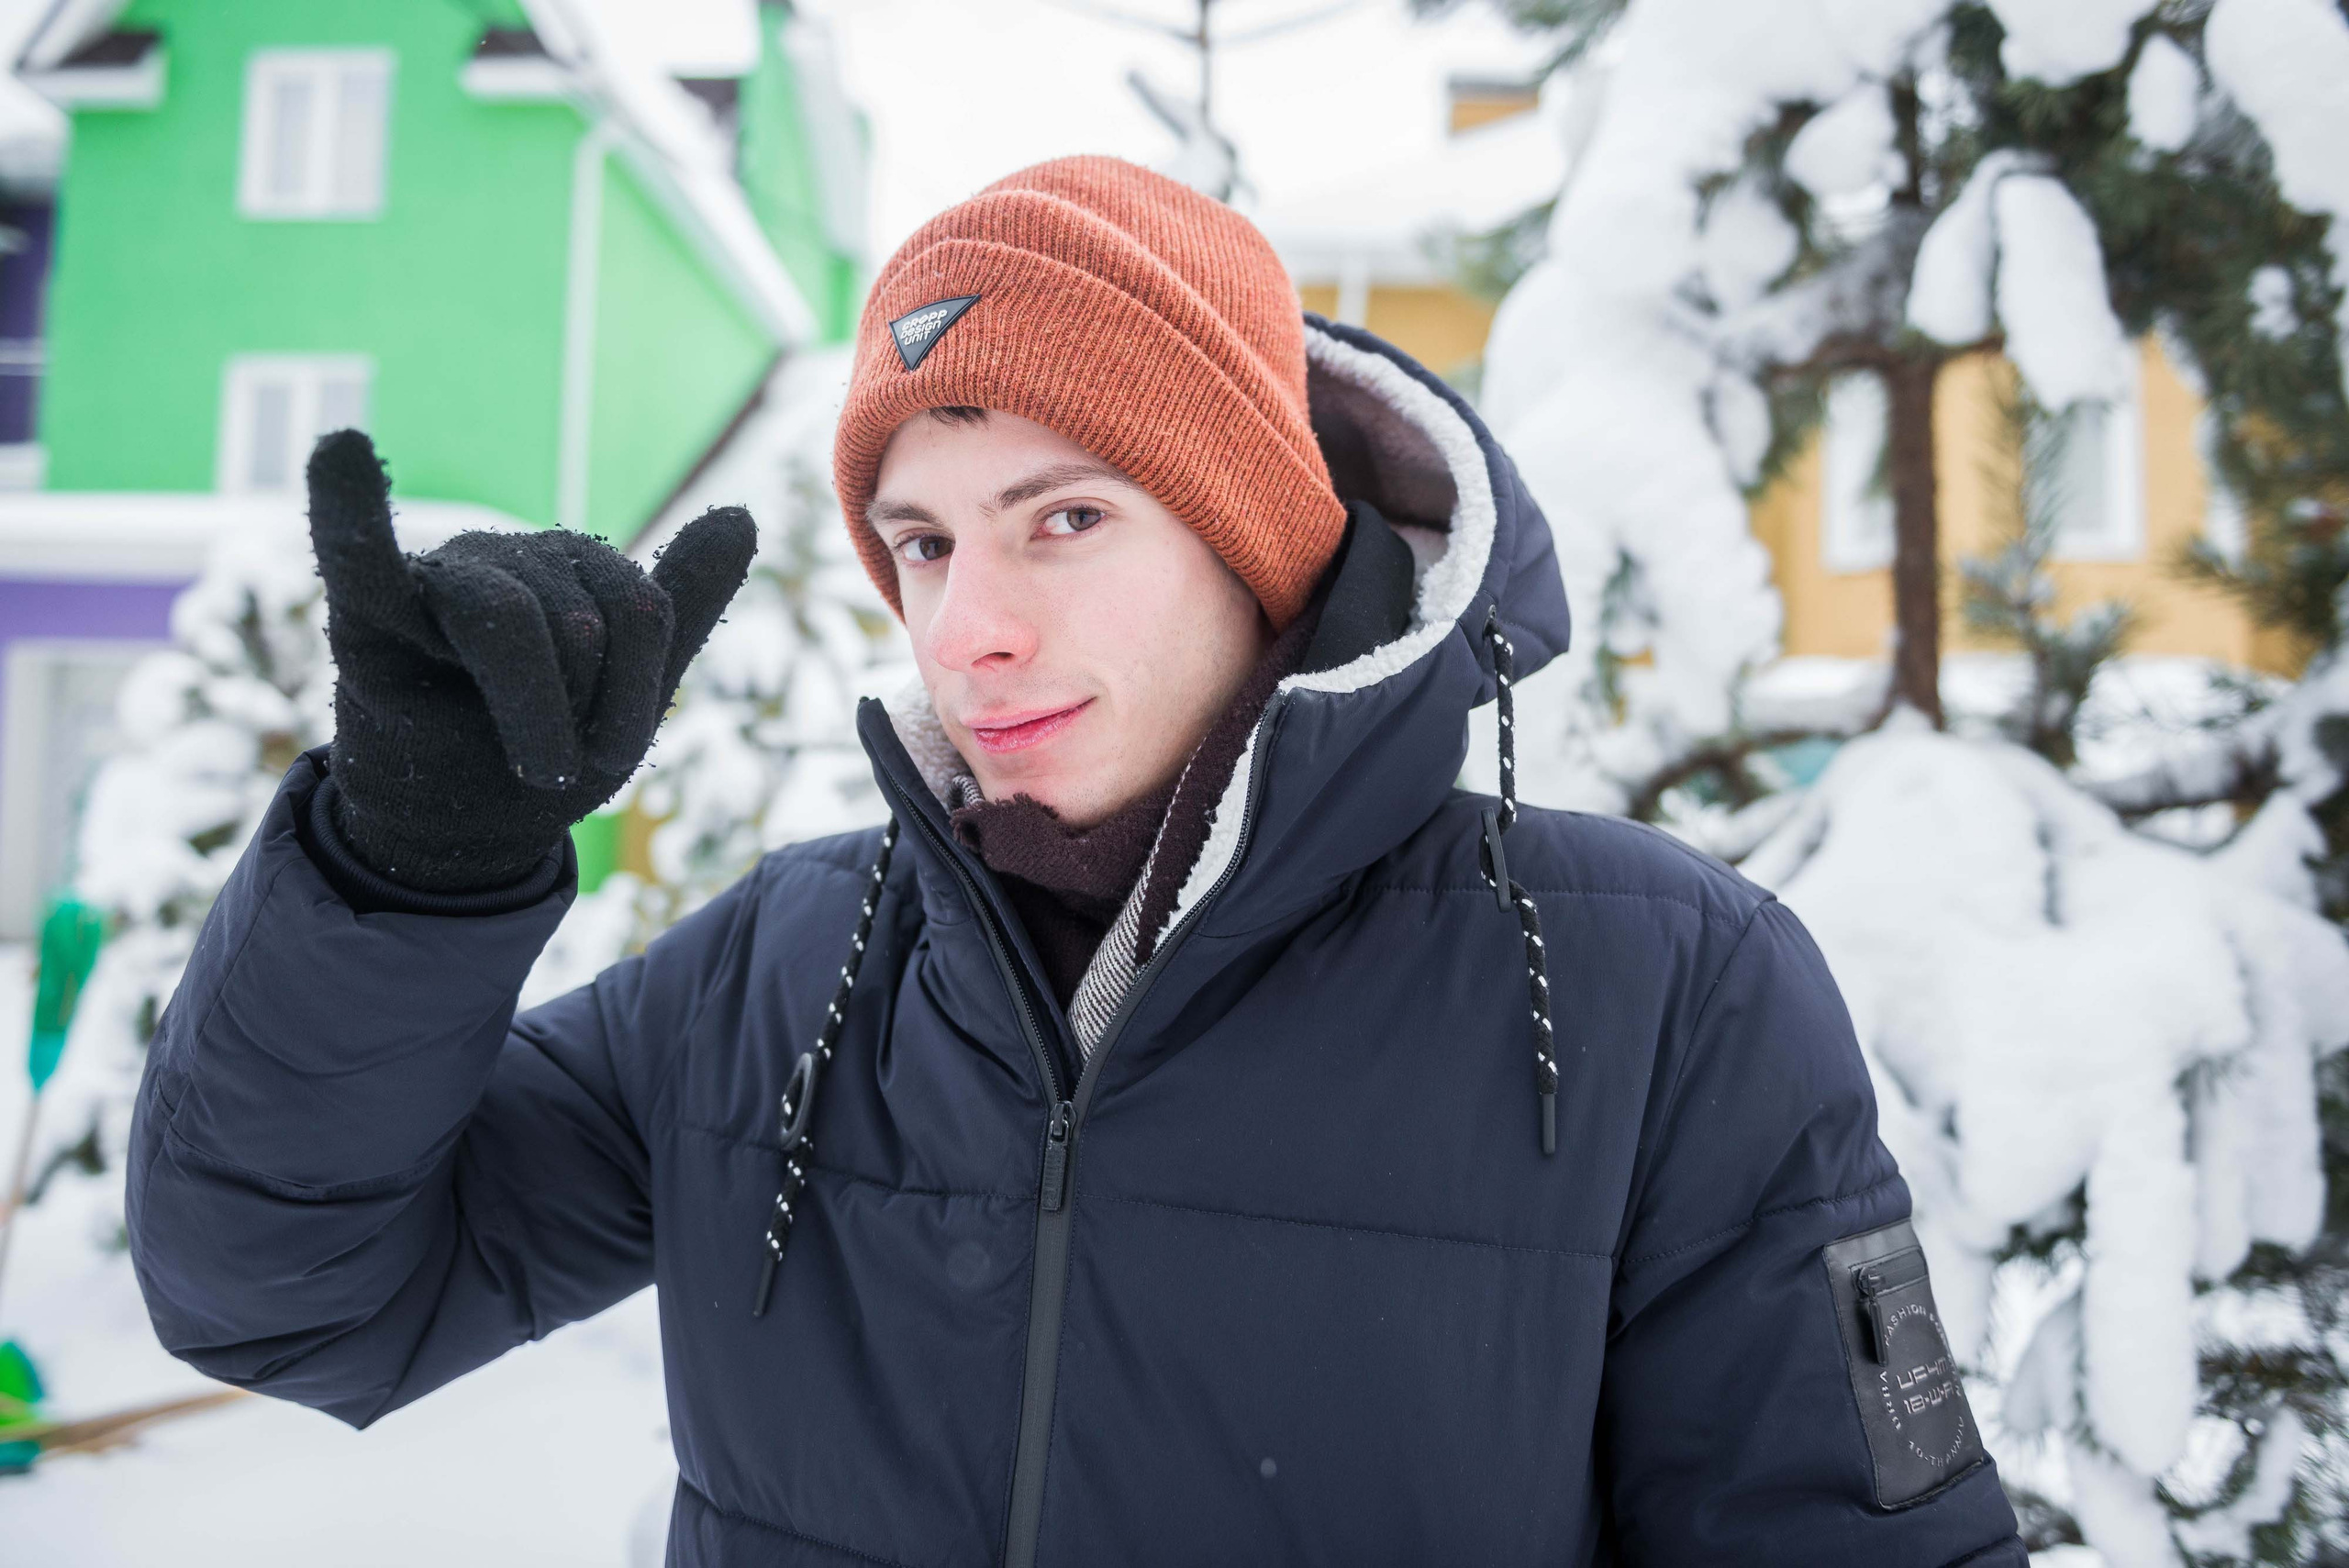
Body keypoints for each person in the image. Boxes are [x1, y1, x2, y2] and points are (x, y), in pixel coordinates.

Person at [126, 156, 2027, 1566]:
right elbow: (299, 1298)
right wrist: (407, 872)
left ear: (1257, 540)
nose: (967, 629)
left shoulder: (1652, 988)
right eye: (923, 542)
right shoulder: (778, 973)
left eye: (1063, 517)